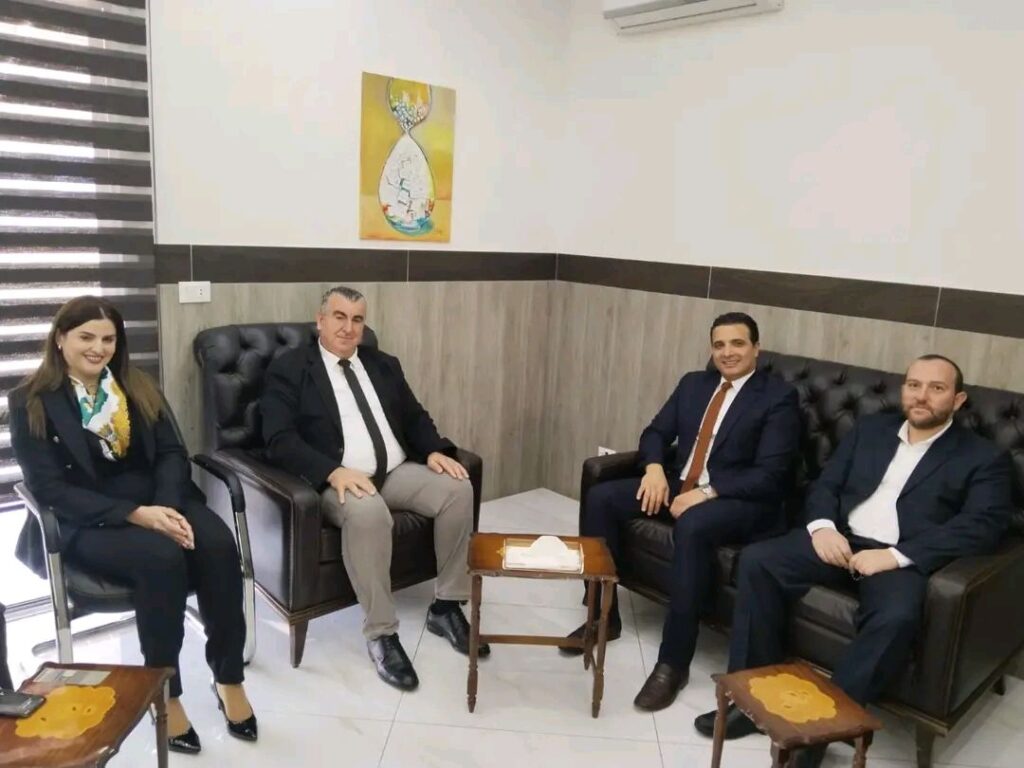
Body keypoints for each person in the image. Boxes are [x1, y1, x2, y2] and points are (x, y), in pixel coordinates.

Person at [694, 354, 1014, 768]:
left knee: (897, 618)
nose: (922, 396)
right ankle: (750, 701)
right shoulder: (871, 429)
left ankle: (819, 732)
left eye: (937, 388)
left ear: (957, 400)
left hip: (899, 557)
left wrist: (895, 556)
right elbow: (827, 482)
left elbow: (983, 525)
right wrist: (823, 527)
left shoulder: (982, 457)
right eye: (914, 385)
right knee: (759, 561)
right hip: (840, 539)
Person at [10, 296, 256, 756]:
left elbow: (171, 453)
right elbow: (49, 488)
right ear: (60, 339)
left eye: (108, 339)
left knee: (219, 545)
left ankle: (228, 678)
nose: (98, 348)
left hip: (162, 497)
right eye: (86, 337)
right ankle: (166, 693)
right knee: (161, 558)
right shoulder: (29, 401)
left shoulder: (137, 385)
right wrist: (136, 515)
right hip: (91, 516)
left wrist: (164, 507)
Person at [563, 312, 801, 711]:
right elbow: (655, 433)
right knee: (602, 497)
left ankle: (673, 662)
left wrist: (708, 492)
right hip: (681, 482)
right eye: (719, 345)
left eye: (737, 343)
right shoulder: (694, 384)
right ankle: (602, 616)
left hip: (742, 499)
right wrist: (654, 469)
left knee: (692, 524)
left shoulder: (777, 397)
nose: (727, 353)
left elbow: (771, 475)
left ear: (756, 348)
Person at [260, 285, 487, 691]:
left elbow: (414, 417)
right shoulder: (290, 369)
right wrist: (332, 471)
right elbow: (278, 438)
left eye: (357, 319)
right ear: (320, 320)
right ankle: (382, 632)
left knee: (457, 489)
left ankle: (447, 606)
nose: (348, 328)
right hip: (339, 479)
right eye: (339, 317)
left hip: (395, 471)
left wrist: (434, 450)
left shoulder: (383, 364)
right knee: (369, 513)